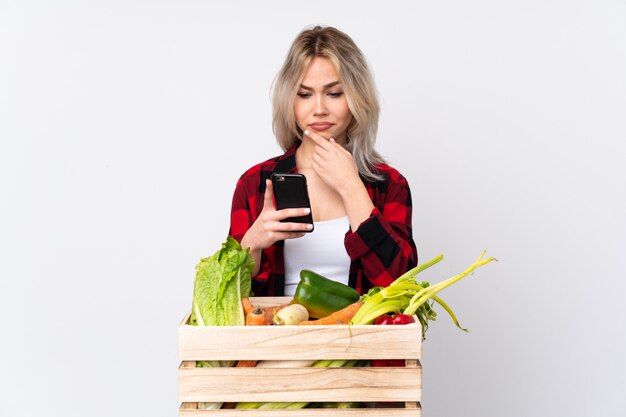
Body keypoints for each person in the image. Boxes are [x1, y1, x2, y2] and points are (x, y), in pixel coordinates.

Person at [229, 25, 417, 296]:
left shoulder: (390, 185)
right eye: (304, 94)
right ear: (289, 101)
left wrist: (351, 186)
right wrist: (251, 245)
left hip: (362, 336)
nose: (319, 109)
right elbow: (230, 301)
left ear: (356, 98)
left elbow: (400, 286)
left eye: (334, 93)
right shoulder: (254, 183)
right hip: (277, 335)